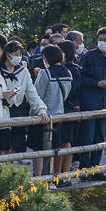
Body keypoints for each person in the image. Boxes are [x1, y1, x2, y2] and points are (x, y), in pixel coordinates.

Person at [76, 27, 106, 180]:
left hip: (104, 101)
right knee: (87, 137)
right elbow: (80, 78)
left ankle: (96, 168)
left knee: (99, 137)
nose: (102, 42)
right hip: (88, 101)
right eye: (100, 39)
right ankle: (84, 171)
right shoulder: (88, 56)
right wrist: (97, 83)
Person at [0, 40, 49, 157]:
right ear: (7, 54)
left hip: (18, 110)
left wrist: (41, 110)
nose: (18, 57)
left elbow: (32, 93)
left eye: (20, 55)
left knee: (13, 146)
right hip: (0, 111)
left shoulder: (23, 71)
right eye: (16, 54)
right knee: (1, 148)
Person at [34, 44, 73, 181]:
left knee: (39, 150)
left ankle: (39, 179)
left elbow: (37, 94)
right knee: (53, 150)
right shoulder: (68, 73)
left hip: (43, 116)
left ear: (45, 57)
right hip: (59, 115)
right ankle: (50, 178)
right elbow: (67, 94)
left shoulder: (45, 73)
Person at [57, 40, 82, 180]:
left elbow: (73, 91)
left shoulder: (74, 70)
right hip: (56, 109)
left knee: (65, 141)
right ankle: (56, 172)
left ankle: (65, 175)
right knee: (56, 143)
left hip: (67, 108)